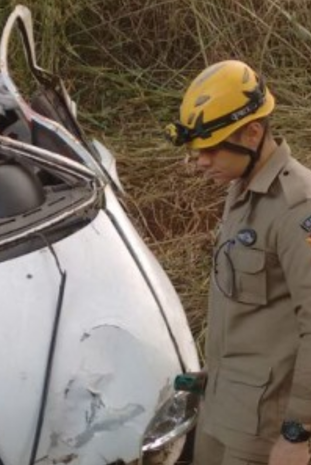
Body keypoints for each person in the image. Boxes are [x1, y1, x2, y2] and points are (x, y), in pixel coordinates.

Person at [165, 60, 311, 465]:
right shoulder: (241, 189)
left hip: (264, 430)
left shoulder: (297, 207)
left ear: (252, 132)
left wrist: (299, 434)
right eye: (195, 150)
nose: (199, 161)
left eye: (210, 148)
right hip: (222, 407)